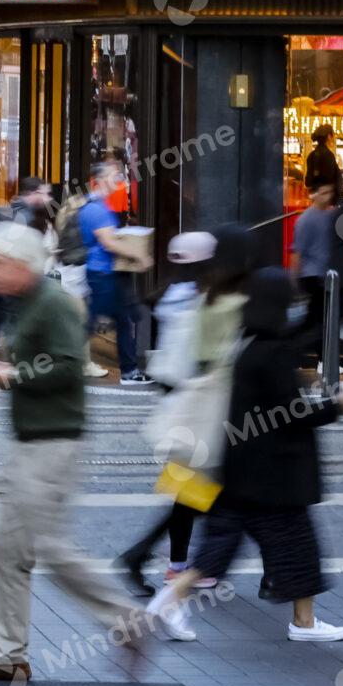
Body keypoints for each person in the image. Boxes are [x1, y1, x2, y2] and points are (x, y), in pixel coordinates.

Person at [0, 222, 148, 685]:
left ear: (21, 264)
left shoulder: (53, 302)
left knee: (44, 547)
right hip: (33, 440)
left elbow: (68, 366)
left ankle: (127, 620)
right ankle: (6, 656)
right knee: (7, 550)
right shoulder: (23, 301)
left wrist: (13, 375)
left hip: (53, 442)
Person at [148, 266, 343, 644]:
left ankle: (169, 600)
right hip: (275, 476)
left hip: (241, 468)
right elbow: (293, 413)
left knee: (221, 547)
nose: (295, 306)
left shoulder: (248, 343)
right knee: (299, 548)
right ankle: (303, 623)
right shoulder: (273, 352)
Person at [117, 229, 225, 596]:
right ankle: (155, 560)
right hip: (198, 413)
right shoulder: (199, 304)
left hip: (177, 412)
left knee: (191, 495)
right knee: (197, 496)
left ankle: (175, 564)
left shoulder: (171, 296)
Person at [81, 161, 151, 385]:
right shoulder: (96, 209)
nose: (119, 179)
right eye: (114, 175)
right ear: (100, 180)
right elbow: (109, 242)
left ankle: (130, 371)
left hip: (104, 273)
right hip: (104, 274)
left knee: (120, 320)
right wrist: (139, 256)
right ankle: (129, 372)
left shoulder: (98, 206)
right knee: (96, 321)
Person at [293, 181, 338, 359]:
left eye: (330, 192)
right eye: (323, 192)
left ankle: (320, 358)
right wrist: (294, 279)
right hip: (311, 276)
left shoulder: (331, 215)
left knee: (318, 319)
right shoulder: (306, 219)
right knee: (315, 320)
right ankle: (316, 357)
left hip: (324, 275)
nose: (328, 196)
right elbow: (297, 252)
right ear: (314, 194)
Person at [304, 123, 343, 198]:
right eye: (333, 136)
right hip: (327, 198)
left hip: (315, 198)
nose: (334, 139)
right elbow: (332, 179)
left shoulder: (311, 155)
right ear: (329, 136)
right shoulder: (329, 155)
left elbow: (308, 182)